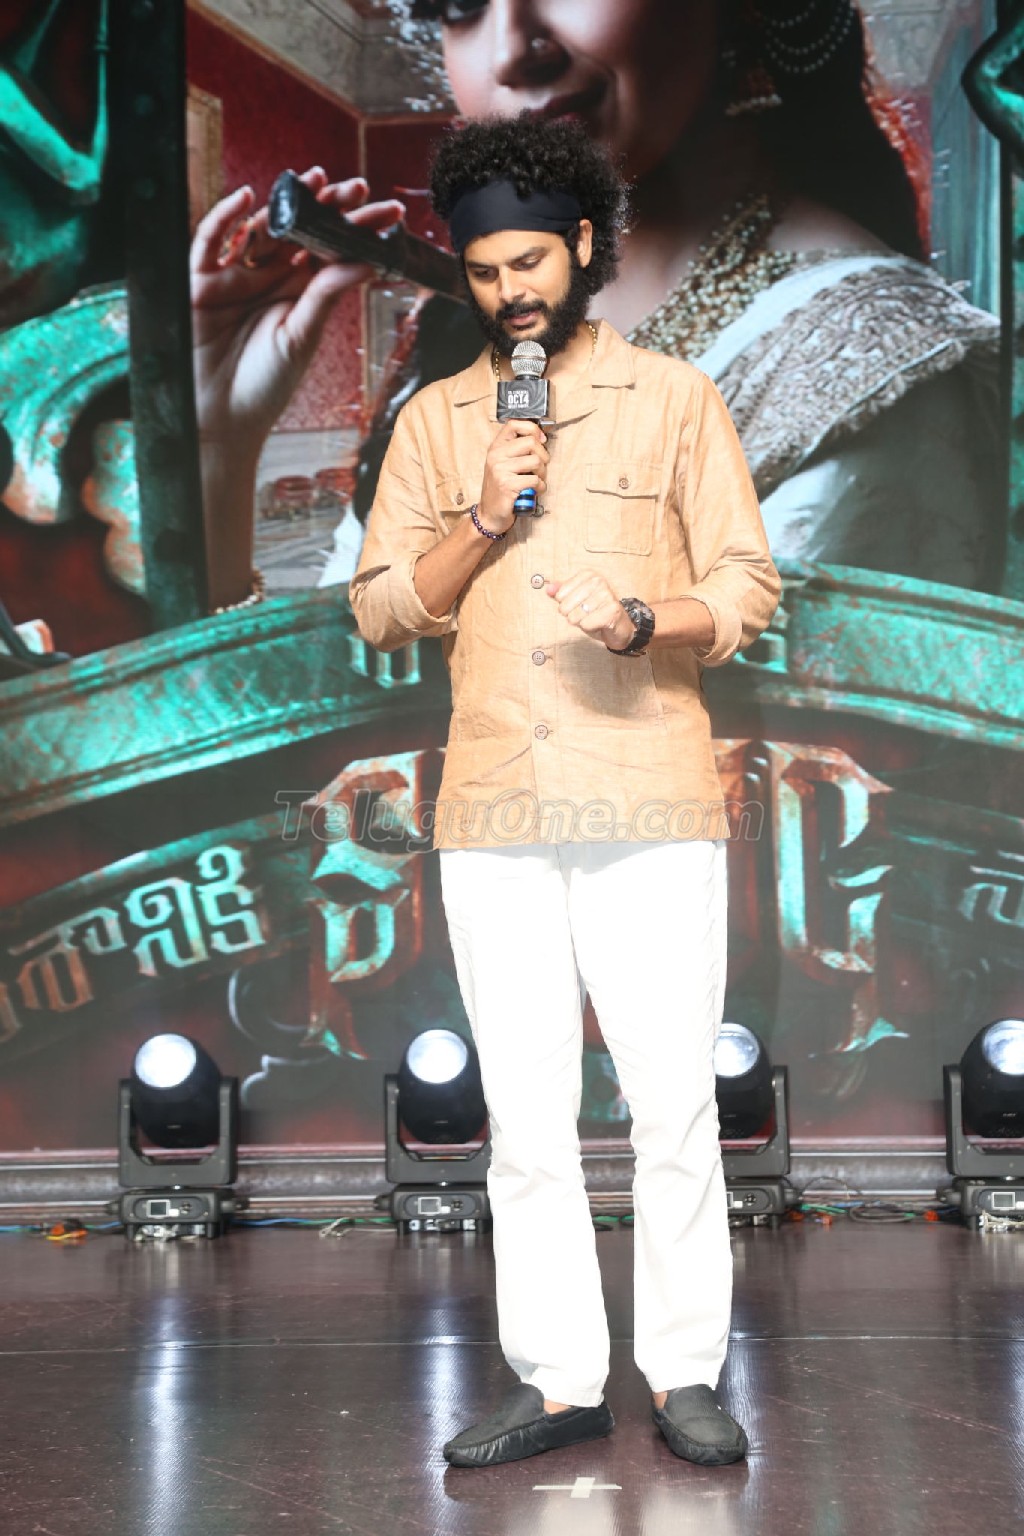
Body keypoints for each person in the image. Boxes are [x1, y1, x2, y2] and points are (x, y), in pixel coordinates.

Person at [348, 111, 780, 1468]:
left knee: (672, 1108)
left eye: (530, 263)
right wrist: (483, 515)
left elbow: (747, 584)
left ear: (584, 247)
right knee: (526, 1121)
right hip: (494, 809)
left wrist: (645, 619)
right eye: (484, 273)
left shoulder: (674, 399)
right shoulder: (437, 423)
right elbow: (380, 609)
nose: (509, 293)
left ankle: (686, 1373)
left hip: (646, 795)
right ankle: (557, 1383)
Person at [195, 0, 1000, 609]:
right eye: (460, 5)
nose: (512, 51)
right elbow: (338, 700)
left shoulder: (868, 365)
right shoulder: (477, 319)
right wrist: (220, 449)